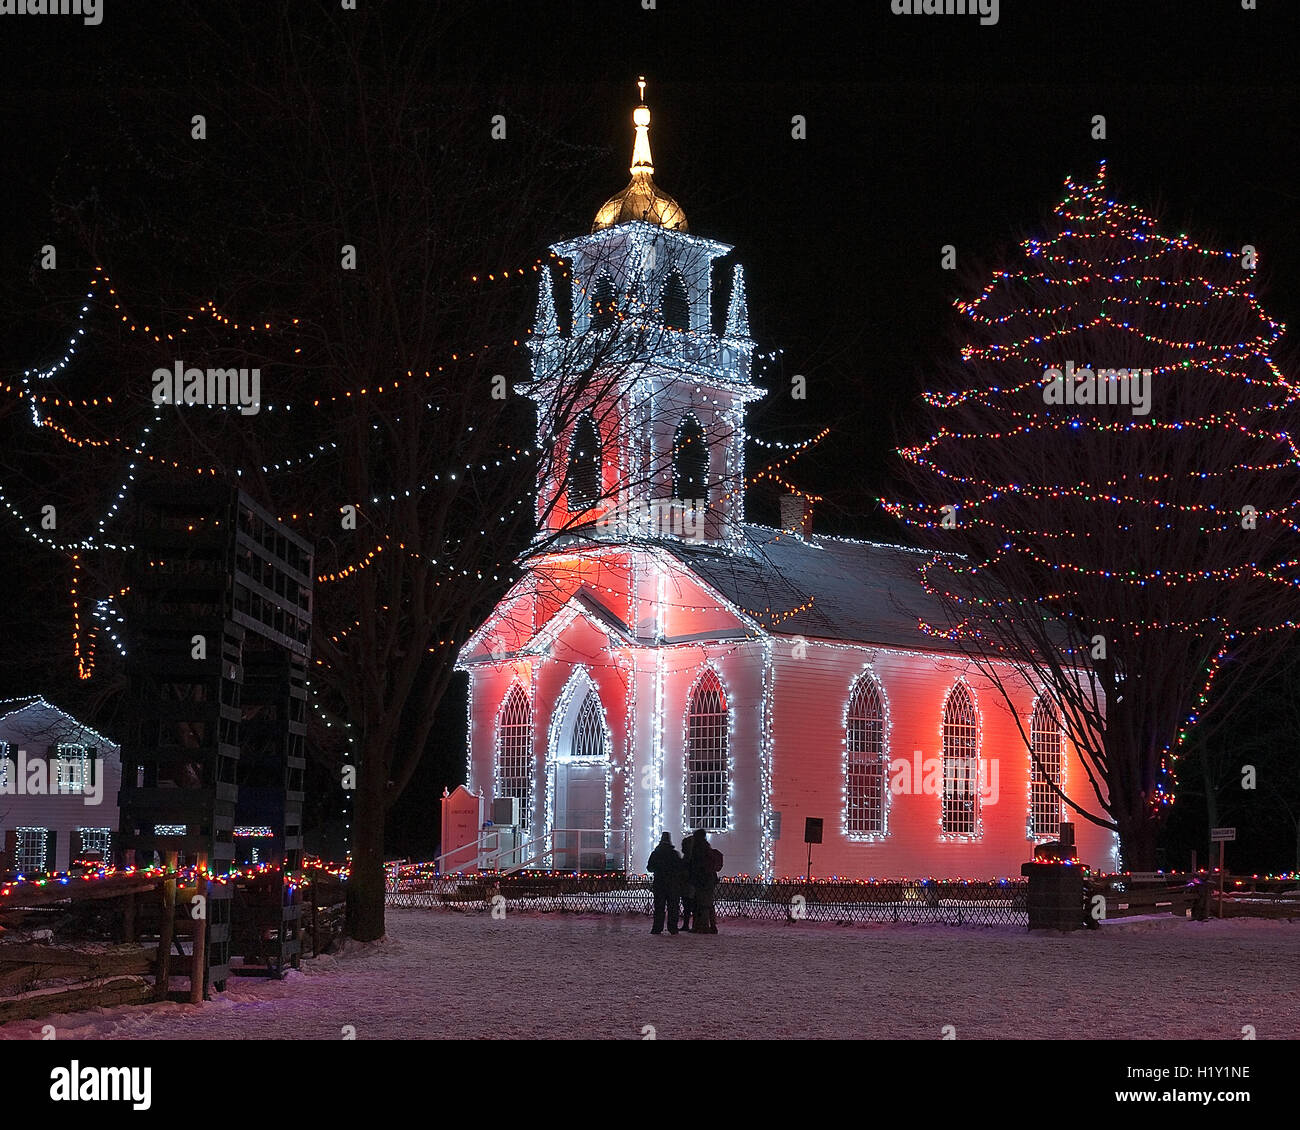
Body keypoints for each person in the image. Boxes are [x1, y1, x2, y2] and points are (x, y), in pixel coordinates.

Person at [646, 832, 682, 935]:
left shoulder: (656, 853)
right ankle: (673, 927)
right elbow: (679, 867)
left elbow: (650, 867)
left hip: (660, 883)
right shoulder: (674, 854)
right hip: (672, 883)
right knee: (673, 906)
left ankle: (657, 927)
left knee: (659, 907)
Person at [688, 828, 722, 934]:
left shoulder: (698, 849)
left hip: (702, 879)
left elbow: (696, 864)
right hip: (709, 878)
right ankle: (711, 925)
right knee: (707, 903)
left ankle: (702, 926)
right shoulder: (706, 847)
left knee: (701, 903)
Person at [678, 833, 695, 933]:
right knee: (689, 905)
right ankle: (688, 924)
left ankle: (687, 924)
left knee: (688, 905)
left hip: (688, 883)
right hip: (689, 883)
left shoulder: (688, 857)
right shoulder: (692, 856)